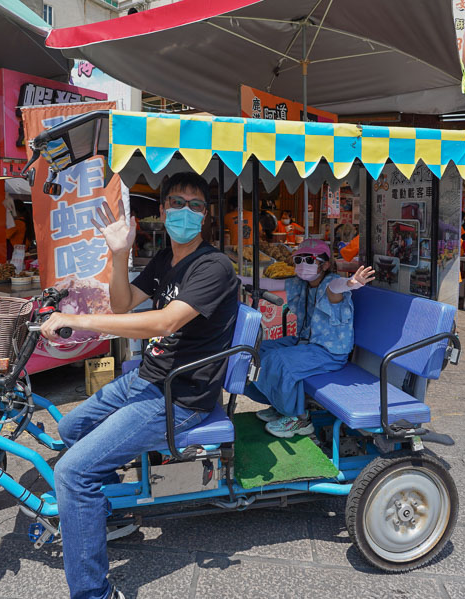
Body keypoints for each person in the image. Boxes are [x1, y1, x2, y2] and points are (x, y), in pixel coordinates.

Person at [39, 172, 239, 599]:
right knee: (70, 432)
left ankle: (95, 593)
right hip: (147, 378)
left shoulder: (214, 266)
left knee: (73, 473)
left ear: (205, 216)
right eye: (177, 203)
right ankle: (106, 511)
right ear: (163, 211)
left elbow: (164, 322)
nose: (186, 212)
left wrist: (79, 320)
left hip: (181, 396)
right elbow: (123, 303)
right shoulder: (165, 259)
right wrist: (120, 253)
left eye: (196, 205)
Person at [245, 238, 375, 437]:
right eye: (299, 260)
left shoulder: (330, 284)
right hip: (305, 343)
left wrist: (352, 283)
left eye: (309, 259)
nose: (303, 265)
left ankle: (298, 418)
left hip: (329, 353)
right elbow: (269, 283)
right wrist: (231, 277)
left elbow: (338, 287)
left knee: (279, 361)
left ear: (325, 264)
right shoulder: (302, 284)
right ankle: (279, 404)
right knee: (257, 350)